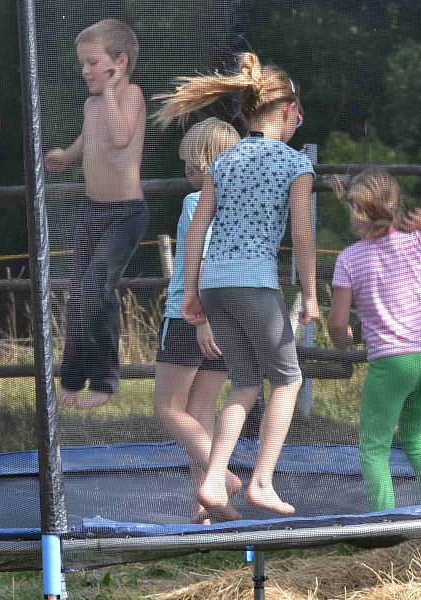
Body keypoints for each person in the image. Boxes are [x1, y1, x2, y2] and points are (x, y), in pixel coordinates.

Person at [153, 52, 319, 520]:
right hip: (254, 285)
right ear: (289, 113)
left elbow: (198, 228)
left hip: (215, 290)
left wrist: (192, 297)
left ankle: (212, 478)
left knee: (245, 384)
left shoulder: (223, 164)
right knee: (288, 379)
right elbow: (303, 236)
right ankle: (261, 481)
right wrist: (309, 294)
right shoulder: (294, 165)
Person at [327, 170, 421, 512]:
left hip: (392, 362)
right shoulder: (416, 242)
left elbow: (338, 323)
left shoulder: (349, 259)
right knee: (417, 437)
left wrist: (344, 340)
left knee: (374, 445)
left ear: (357, 211)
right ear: (395, 208)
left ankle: (385, 519)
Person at [44, 18, 148, 410]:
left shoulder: (131, 96)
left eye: (92, 63)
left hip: (125, 214)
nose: (85, 71)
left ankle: (104, 379)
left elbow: (120, 136)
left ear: (118, 63)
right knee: (82, 296)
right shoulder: (91, 105)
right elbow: (89, 140)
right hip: (91, 213)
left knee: (94, 290)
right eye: (82, 64)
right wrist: (64, 157)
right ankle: (71, 379)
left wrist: (110, 91)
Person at [153, 117, 241, 524]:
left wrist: (200, 319)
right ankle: (205, 505)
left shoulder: (198, 203)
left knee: (167, 409)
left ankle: (220, 477)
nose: (189, 171)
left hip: (192, 316)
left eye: (195, 163)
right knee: (201, 409)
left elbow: (200, 263)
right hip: (230, 317)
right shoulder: (240, 207)